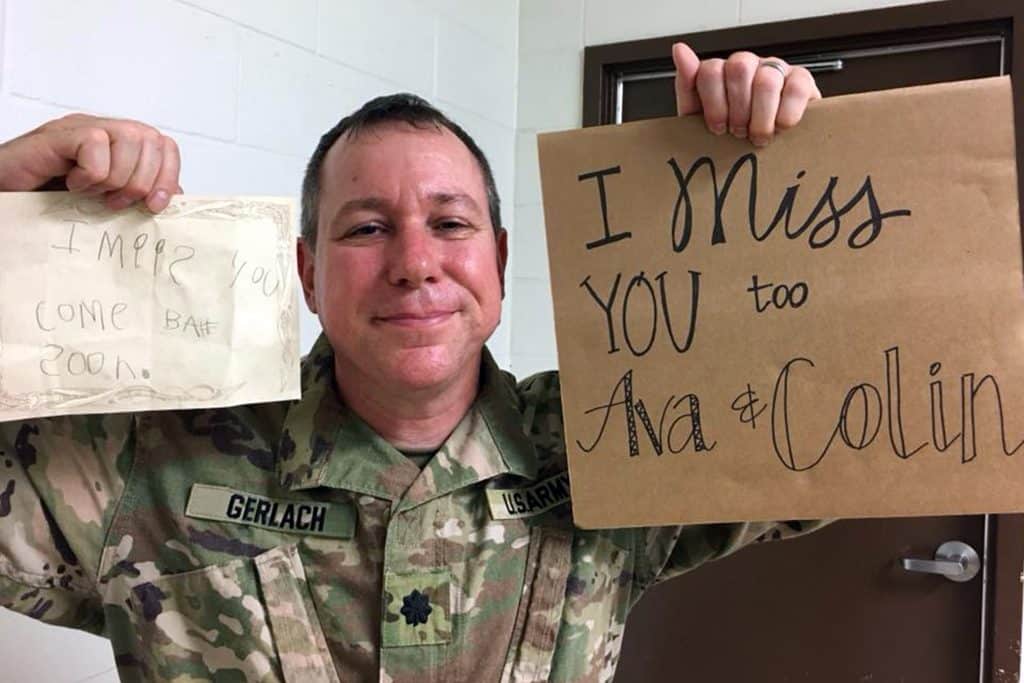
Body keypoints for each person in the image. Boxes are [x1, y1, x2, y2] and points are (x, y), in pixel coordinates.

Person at [0, 44, 825, 682]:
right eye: (365, 228)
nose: (415, 263)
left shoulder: (611, 436)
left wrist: (781, 175)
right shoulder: (151, 458)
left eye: (452, 224)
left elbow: (836, 434)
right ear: (309, 273)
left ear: (499, 261)